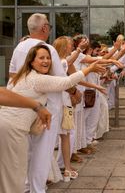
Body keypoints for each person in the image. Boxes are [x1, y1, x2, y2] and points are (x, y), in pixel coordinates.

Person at [0, 44, 106, 193]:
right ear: (31, 61)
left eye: (48, 58)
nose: (46, 61)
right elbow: (66, 82)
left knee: (9, 175)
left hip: (7, 127)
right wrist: (90, 68)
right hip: (12, 131)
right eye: (41, 58)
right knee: (13, 178)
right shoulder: (36, 79)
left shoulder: (22, 76)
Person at [9, 13, 81, 193]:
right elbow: (62, 80)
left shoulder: (19, 47)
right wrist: (74, 92)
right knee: (42, 154)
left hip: (25, 106)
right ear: (44, 28)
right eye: (48, 25)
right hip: (47, 109)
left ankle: (26, 186)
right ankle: (37, 189)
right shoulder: (47, 48)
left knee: (28, 151)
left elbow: (12, 76)